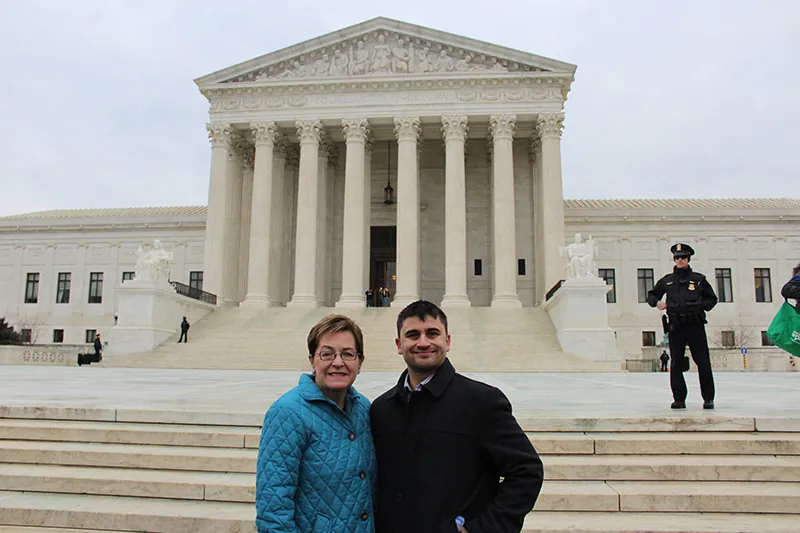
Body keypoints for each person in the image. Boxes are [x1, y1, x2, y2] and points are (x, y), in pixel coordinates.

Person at [370, 300, 543, 533]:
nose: (423, 342)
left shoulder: (482, 402)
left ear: (447, 341)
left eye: (433, 333)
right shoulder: (381, 409)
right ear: (399, 345)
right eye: (413, 335)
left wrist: (481, 529)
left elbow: (527, 471)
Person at [256, 314, 376, 533]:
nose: (337, 362)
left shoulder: (363, 408)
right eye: (327, 353)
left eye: (347, 354)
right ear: (312, 359)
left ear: (359, 363)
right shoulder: (287, 413)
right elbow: (273, 510)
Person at [647, 243, 718, 409]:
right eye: (677, 257)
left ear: (688, 259)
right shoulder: (667, 281)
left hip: (695, 325)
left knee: (703, 362)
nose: (680, 260)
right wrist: (657, 303)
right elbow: (651, 295)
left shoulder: (698, 279)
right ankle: (679, 398)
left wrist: (702, 306)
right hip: (676, 326)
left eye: (683, 257)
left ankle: (708, 398)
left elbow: (712, 299)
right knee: (676, 364)